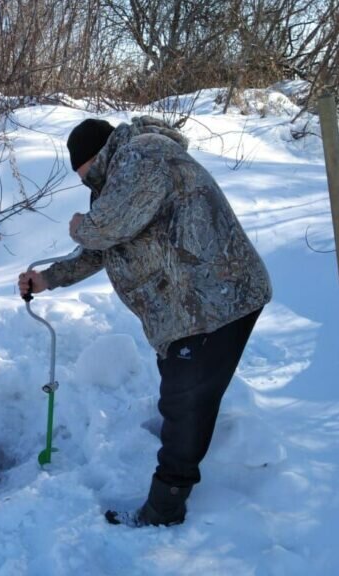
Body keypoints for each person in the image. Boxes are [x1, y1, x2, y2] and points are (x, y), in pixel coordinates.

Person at [18, 117, 272, 527]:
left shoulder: (144, 152)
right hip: (193, 308)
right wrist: (47, 279)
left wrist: (84, 226)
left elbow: (104, 229)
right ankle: (174, 454)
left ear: (96, 156)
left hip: (216, 301)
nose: (86, 184)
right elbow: (104, 247)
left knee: (186, 402)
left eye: (84, 174)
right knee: (183, 392)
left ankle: (164, 507)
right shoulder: (124, 175)